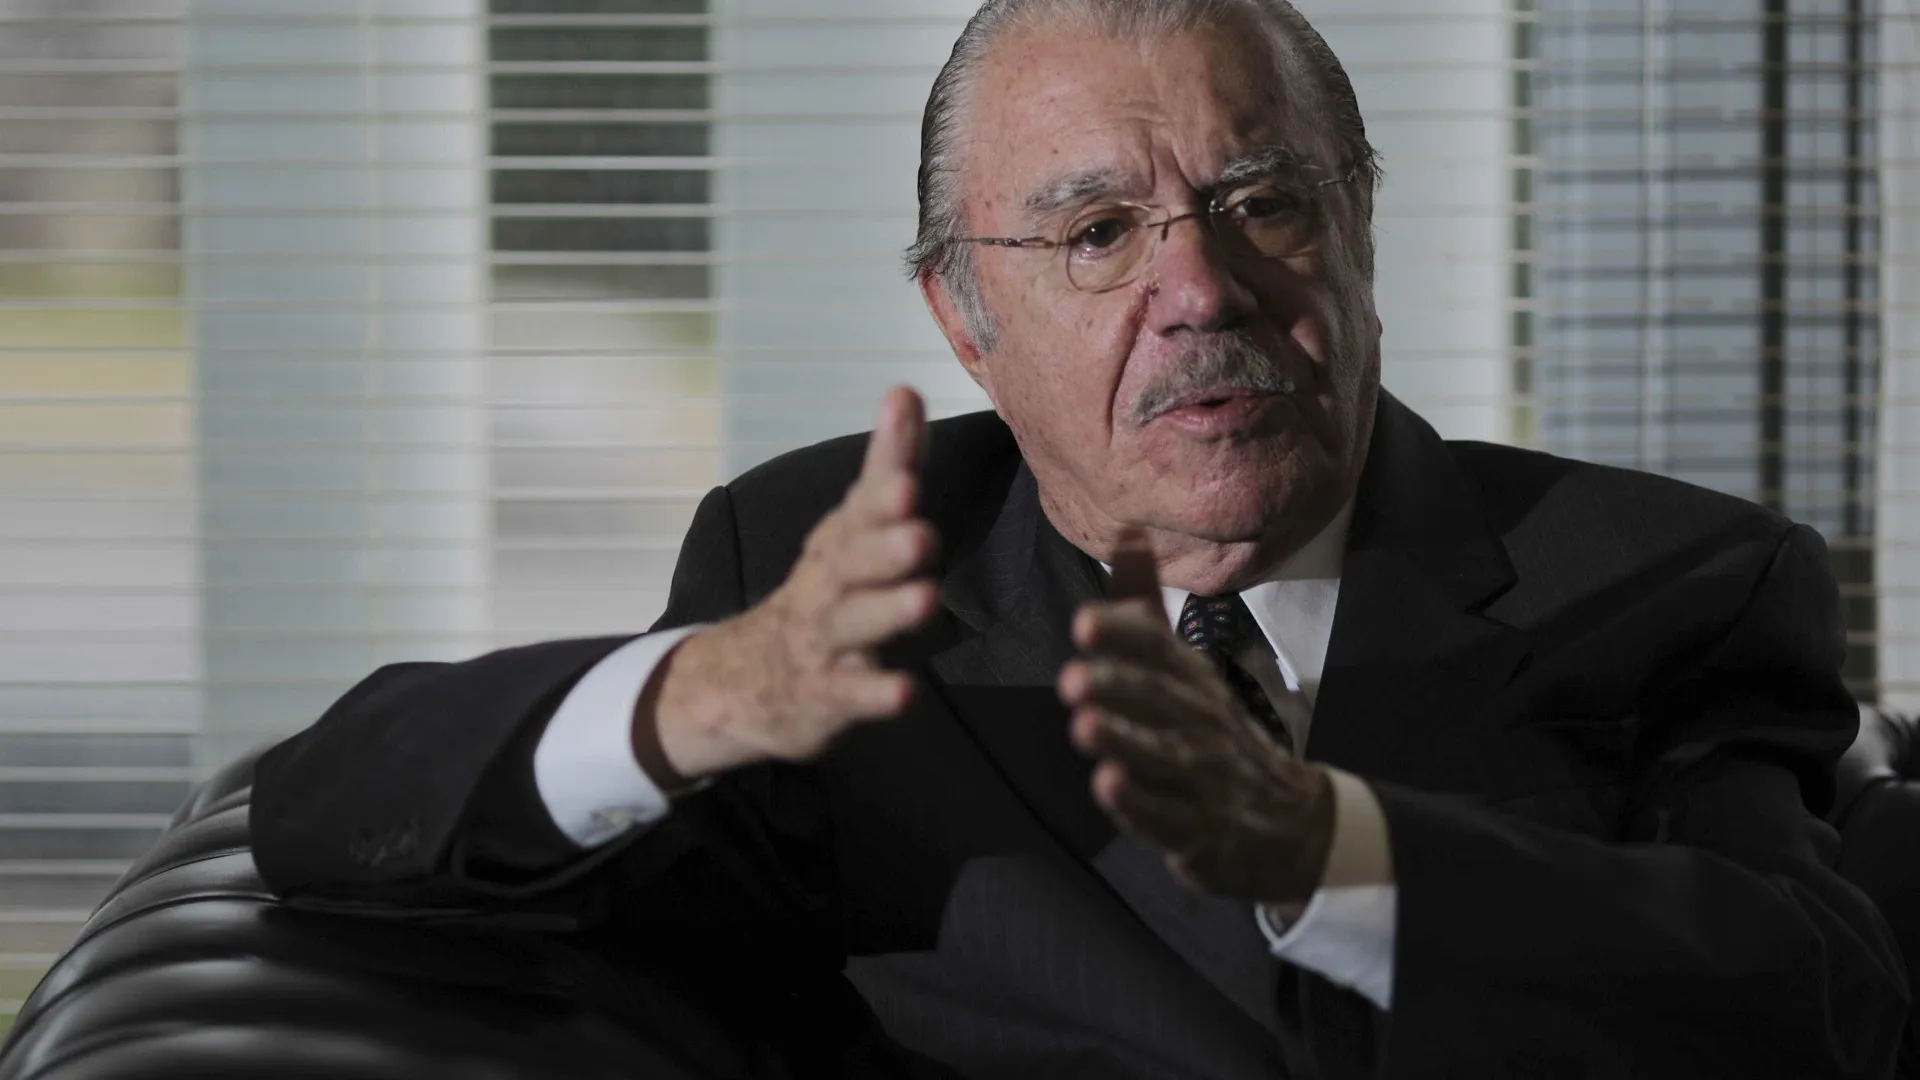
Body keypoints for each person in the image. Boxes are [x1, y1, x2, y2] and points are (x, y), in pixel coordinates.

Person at [248, 1, 1910, 1076]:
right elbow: (332, 811)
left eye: (1262, 204)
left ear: (1359, 226)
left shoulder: (1670, 580)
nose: (1200, 289)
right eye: (1099, 232)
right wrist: (702, 694)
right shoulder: (834, 568)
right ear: (963, 322)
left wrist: (1329, 850)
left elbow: (1813, 1001)